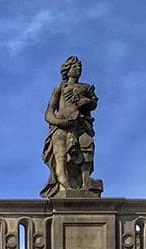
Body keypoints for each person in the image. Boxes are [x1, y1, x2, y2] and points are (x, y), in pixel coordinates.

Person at [40, 56, 102, 198]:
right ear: (67, 70)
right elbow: (49, 112)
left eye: (80, 66)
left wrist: (86, 101)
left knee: (88, 147)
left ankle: (86, 180)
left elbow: (93, 104)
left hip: (80, 125)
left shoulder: (86, 88)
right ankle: (65, 186)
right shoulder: (60, 88)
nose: (78, 69)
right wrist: (59, 122)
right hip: (61, 127)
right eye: (75, 66)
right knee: (61, 158)